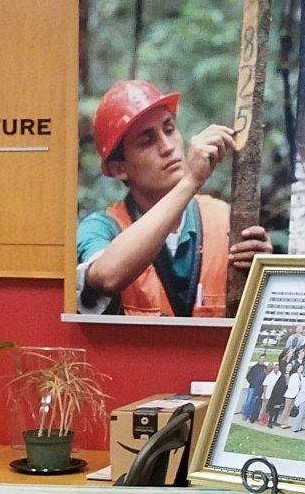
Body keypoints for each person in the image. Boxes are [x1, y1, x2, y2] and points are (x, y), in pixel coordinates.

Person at [75, 79, 273, 318]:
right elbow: (106, 277)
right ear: (119, 169)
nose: (167, 147)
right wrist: (190, 181)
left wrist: (263, 271)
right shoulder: (102, 227)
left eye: (169, 129)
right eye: (147, 140)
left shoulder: (224, 220)